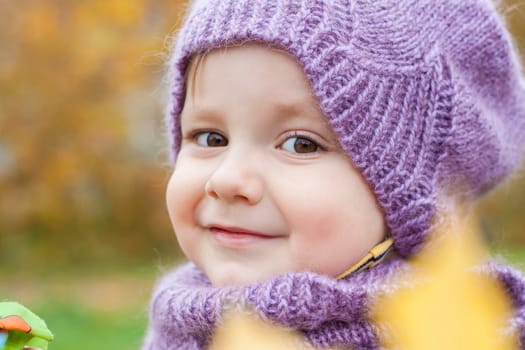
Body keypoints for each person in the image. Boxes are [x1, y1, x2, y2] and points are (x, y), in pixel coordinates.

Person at [142, 0, 525, 348]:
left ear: (413, 202)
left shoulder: (454, 338)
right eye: (210, 137)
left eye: (300, 144)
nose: (226, 180)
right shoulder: (177, 328)